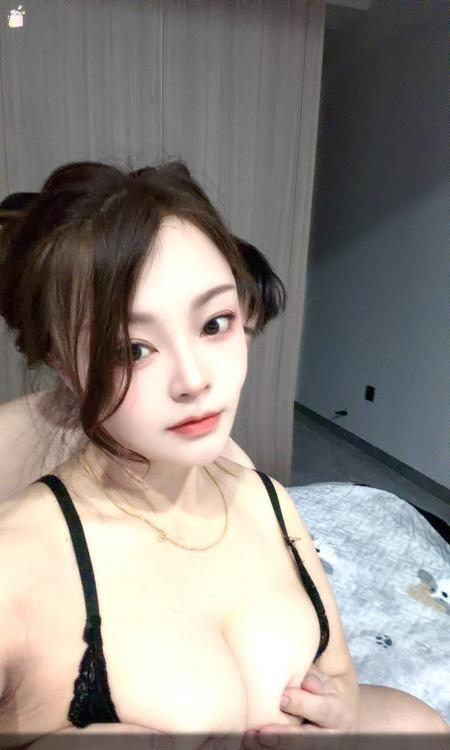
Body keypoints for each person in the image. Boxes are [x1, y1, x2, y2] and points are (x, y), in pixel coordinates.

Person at [0, 163, 446, 750]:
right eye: (132, 349)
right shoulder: (19, 565)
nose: (194, 379)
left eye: (215, 323)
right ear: (64, 365)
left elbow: (338, 673)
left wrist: (338, 714)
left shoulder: (268, 502)